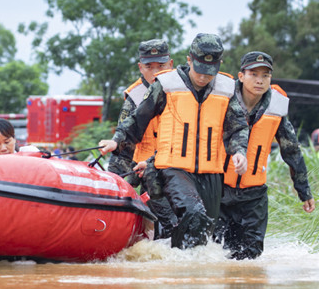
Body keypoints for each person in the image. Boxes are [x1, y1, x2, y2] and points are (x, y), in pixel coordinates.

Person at [99, 33, 249, 250]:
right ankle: (180, 266)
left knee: (206, 232)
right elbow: (138, 119)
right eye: (199, 69)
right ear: (189, 60)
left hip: (211, 173)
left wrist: (239, 151)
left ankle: (177, 266)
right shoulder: (166, 85)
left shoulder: (226, 88)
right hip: (174, 168)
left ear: (219, 65)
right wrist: (117, 140)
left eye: (210, 72)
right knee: (194, 214)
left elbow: (238, 127)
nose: (203, 77)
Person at [215, 51, 315, 260]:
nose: (260, 80)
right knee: (215, 253)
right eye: (254, 74)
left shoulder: (276, 107)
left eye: (265, 75)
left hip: (254, 194)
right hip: (219, 189)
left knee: (251, 256)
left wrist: (304, 191)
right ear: (241, 76)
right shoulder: (221, 99)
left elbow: (292, 151)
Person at [107, 39, 174, 179]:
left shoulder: (183, 90)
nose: (156, 73)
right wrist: (114, 176)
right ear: (140, 67)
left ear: (171, 64)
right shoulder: (135, 96)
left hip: (175, 163)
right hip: (140, 165)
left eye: (161, 66)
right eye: (149, 67)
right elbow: (125, 139)